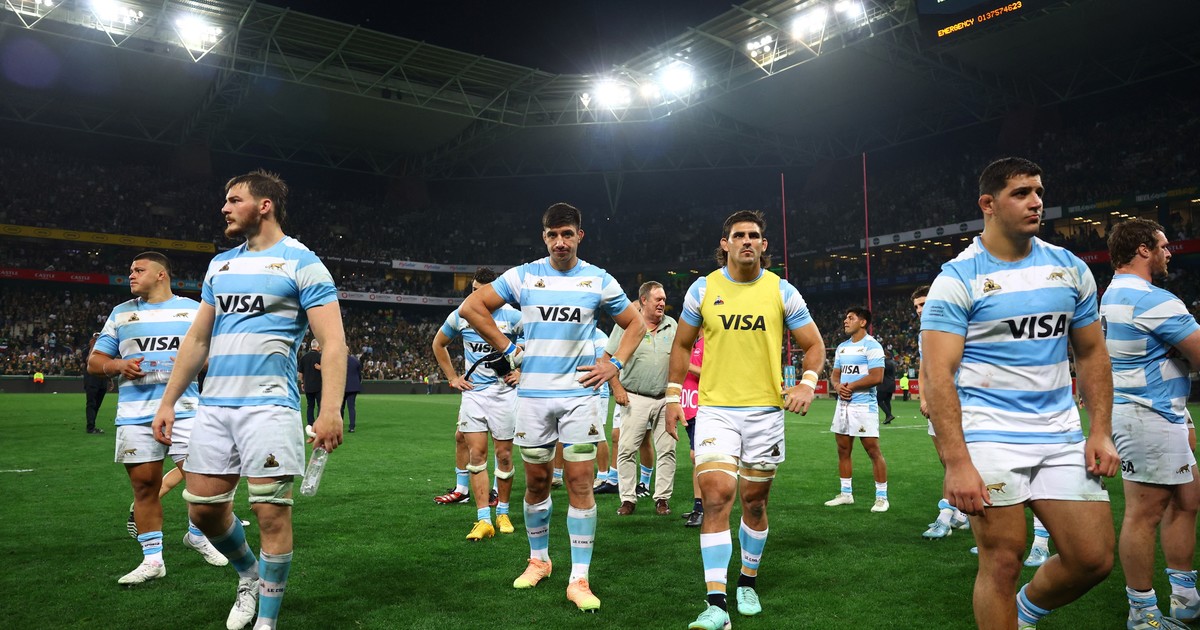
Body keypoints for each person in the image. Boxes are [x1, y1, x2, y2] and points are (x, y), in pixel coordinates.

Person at [921, 157, 1118, 630]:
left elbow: (1092, 353)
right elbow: (937, 374)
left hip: (1060, 434)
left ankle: (1024, 612)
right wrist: (957, 462)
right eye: (1021, 193)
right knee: (1003, 563)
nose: (1036, 202)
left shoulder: (1070, 268)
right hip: (989, 435)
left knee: (1092, 559)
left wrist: (1101, 431)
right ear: (988, 204)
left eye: (1038, 191)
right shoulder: (957, 278)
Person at [151, 170, 346, 630]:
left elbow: (333, 342)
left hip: (270, 407)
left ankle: (267, 622)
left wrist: (330, 410)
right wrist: (168, 401)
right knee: (203, 509)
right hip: (214, 406)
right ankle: (249, 575)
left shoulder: (303, 262)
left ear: (265, 205)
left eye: (234, 199)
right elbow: (198, 339)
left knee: (270, 515)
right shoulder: (220, 265)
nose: (224, 207)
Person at [459, 202, 646, 613]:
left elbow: (635, 323)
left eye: (567, 234)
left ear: (580, 235)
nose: (560, 242)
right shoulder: (523, 276)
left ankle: (579, 578)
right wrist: (509, 348)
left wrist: (614, 364)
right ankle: (539, 561)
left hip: (579, 398)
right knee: (538, 483)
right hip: (533, 399)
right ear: (544, 237)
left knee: (580, 483)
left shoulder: (598, 279)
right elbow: (471, 308)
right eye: (552, 235)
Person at [664, 210, 825, 630]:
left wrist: (807, 383)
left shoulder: (781, 291)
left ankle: (747, 582)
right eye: (739, 235)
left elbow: (814, 345)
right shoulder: (704, 288)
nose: (747, 241)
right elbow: (681, 345)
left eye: (754, 235)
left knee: (754, 502)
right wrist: (672, 396)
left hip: (765, 412)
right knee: (717, 494)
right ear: (725, 244)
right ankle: (716, 602)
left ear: (764, 245)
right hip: (715, 409)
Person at [88, 251, 227, 584]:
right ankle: (153, 560)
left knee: (204, 486)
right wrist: (118, 365)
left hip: (186, 411)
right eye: (130, 270)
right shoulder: (121, 313)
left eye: (139, 270)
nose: (131, 275)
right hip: (135, 414)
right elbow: (95, 361)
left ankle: (197, 535)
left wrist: (197, 363)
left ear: (161, 274)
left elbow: (215, 355)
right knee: (144, 488)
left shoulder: (194, 310)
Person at [1101, 218, 1200, 628]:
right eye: (1162, 245)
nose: (1168, 252)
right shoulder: (1152, 299)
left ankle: (1185, 597)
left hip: (1156, 409)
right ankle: (1142, 612)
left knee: (1187, 499)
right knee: (1144, 513)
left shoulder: (1112, 294)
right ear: (1143, 249)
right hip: (1147, 414)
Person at [432, 266, 523, 540]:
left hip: (504, 394)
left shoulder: (514, 317)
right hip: (473, 394)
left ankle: (503, 512)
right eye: (472, 291)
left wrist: (521, 371)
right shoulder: (461, 315)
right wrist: (452, 377)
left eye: (481, 292)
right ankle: (483, 519)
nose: (475, 297)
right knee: (477, 454)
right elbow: (438, 343)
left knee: (504, 455)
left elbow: (534, 344)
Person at [608, 281, 678, 516]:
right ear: (644, 300)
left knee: (667, 450)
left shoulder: (672, 325)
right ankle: (628, 499)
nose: (662, 303)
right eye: (658, 299)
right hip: (634, 397)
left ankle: (662, 499)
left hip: (665, 398)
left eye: (664, 299)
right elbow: (607, 359)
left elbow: (680, 358)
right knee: (627, 449)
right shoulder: (627, 325)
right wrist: (617, 387)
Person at [824, 308, 889, 512]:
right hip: (843, 405)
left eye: (850, 318)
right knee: (843, 450)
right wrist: (837, 387)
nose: (845, 321)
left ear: (863, 322)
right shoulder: (842, 347)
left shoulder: (872, 346)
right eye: (845, 317)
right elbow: (835, 374)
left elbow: (877, 376)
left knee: (873, 450)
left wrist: (850, 386)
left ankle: (882, 498)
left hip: (864, 405)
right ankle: (846, 494)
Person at [679, 332, 705, 528]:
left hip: (702, 408)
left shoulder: (709, 342)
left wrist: (685, 364)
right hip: (689, 408)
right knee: (696, 458)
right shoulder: (694, 343)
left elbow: (712, 373)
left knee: (698, 457)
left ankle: (701, 508)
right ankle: (700, 505)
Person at [84, 332, 109, 435]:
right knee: (91, 403)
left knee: (97, 405)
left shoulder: (105, 352)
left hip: (102, 380)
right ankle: (90, 427)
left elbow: (106, 365)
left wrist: (109, 380)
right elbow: (88, 360)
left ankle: (92, 425)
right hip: (91, 380)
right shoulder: (87, 350)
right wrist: (93, 347)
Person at [298, 340, 321, 426]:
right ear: (318, 347)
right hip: (319, 386)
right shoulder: (321, 357)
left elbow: (300, 373)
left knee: (310, 405)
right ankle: (319, 423)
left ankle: (310, 423)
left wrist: (302, 383)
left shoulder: (304, 357)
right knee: (320, 405)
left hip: (308, 385)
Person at [342, 350, 361, 433]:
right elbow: (359, 374)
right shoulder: (355, 361)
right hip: (353, 387)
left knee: (341, 408)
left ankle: (340, 425)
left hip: (342, 387)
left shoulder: (339, 360)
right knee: (351, 407)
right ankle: (352, 427)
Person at [878, 351, 897, 425]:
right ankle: (888, 419)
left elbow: (882, 372)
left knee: (878, 400)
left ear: (885, 355)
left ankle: (889, 415)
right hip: (892, 384)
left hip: (885, 384)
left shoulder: (885, 362)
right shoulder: (893, 363)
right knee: (887, 401)